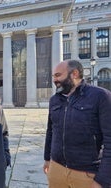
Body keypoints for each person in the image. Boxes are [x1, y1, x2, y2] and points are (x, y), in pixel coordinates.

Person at [43, 60, 111, 188]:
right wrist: (47, 159)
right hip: (57, 169)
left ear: (74, 74)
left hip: (87, 174)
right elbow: (51, 131)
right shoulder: (54, 100)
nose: (54, 80)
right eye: (53, 76)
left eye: (58, 75)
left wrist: (103, 179)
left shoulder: (101, 96)